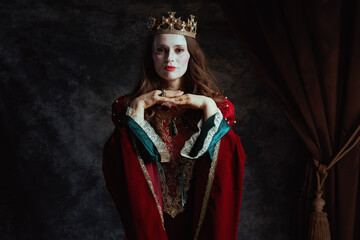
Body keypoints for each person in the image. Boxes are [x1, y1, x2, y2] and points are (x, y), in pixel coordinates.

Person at [102, 11, 246, 240]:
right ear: (151, 56)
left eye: (179, 50)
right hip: (151, 224)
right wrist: (138, 108)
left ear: (191, 55)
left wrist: (208, 106)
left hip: (198, 221)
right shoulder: (127, 108)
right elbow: (120, 169)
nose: (170, 58)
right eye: (161, 50)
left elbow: (228, 167)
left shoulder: (218, 108)